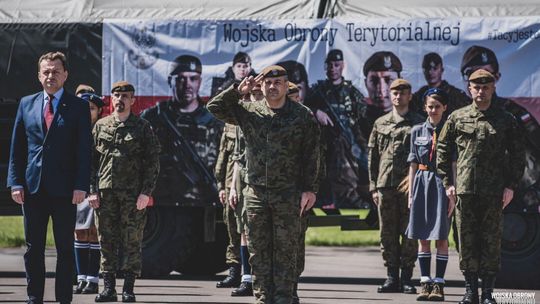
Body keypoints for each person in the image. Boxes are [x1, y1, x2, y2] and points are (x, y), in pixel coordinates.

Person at [207, 65, 320, 304]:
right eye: (268, 82)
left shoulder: (301, 115)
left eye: (277, 82)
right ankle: (263, 299)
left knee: (286, 252)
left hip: (288, 194)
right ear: (262, 85)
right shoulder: (249, 111)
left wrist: (310, 189)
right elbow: (214, 107)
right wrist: (238, 91)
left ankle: (284, 299)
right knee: (258, 254)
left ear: (286, 84)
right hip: (256, 194)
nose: (272, 86)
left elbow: (311, 155)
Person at [7, 51, 91, 304]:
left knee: (65, 248)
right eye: (46, 71)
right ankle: (34, 298)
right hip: (33, 189)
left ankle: (64, 298)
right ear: (38, 75)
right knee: (34, 249)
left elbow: (83, 150)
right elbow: (17, 148)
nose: (50, 75)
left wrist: (81, 186)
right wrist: (15, 182)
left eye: (55, 71)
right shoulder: (26, 103)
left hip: (65, 190)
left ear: (65, 75)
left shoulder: (78, 107)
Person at [437, 69, 525, 304]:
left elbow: (518, 154)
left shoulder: (505, 119)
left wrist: (511, 186)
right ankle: (470, 291)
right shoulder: (457, 117)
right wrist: (448, 182)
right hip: (465, 190)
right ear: (469, 89)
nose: (481, 91)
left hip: (495, 192)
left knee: (491, 240)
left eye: (485, 87)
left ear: (493, 88)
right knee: (466, 241)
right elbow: (443, 149)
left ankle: (487, 293)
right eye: (476, 87)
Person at [89, 81, 160, 302]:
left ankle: (128, 289)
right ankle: (108, 288)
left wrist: (145, 193)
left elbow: (152, 163)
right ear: (111, 98)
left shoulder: (142, 127)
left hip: (132, 195)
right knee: (106, 240)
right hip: (105, 194)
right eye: (116, 95)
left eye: (125, 96)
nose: (120, 99)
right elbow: (91, 162)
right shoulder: (100, 126)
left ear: (133, 100)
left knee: (132, 241)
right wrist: (93, 190)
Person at [141, 55, 223, 204]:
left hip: (204, 203)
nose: (187, 85)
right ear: (169, 81)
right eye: (180, 79)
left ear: (200, 82)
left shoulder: (213, 120)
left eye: (193, 78)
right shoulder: (153, 117)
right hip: (164, 201)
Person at [368, 78, 423, 294]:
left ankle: (407, 277)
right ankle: (391, 277)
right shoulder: (380, 123)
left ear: (410, 96)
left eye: (403, 93)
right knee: (387, 233)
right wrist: (373, 186)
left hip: (410, 187)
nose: (398, 96)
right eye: (395, 93)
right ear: (389, 96)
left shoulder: (419, 123)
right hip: (385, 186)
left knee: (409, 233)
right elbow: (372, 157)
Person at [405, 88, 455, 301]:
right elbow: (413, 164)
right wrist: (410, 193)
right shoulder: (417, 131)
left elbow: (453, 163)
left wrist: (453, 191)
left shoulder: (450, 130)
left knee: (441, 236)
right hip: (421, 183)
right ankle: (425, 282)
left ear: (444, 108)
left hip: (442, 184)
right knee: (423, 236)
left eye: (437, 106)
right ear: (425, 107)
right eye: (430, 106)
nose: (433, 110)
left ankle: (439, 285)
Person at [306, 49, 370, 209]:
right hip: (325, 144)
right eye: (330, 65)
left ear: (343, 66)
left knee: (359, 172)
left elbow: (364, 115)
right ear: (325, 67)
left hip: (349, 142)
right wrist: (315, 112)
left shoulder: (351, 91)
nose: (333, 68)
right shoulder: (318, 90)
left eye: (336, 65)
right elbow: (302, 108)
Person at [227, 84, 265, 297]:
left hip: (262, 180)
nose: (255, 97)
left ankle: (262, 278)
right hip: (243, 179)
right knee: (244, 229)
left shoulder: (271, 119)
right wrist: (233, 187)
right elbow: (237, 157)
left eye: (259, 94)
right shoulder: (244, 120)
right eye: (253, 94)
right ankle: (247, 278)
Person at [73, 86, 105, 295]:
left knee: (94, 232)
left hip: (96, 188)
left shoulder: (101, 130)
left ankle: (93, 279)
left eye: (92, 108)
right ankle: (81, 278)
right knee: (79, 232)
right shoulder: (71, 129)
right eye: (84, 108)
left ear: (98, 111)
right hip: (76, 188)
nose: (88, 112)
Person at [214, 122, 242, 289]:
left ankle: (250, 274)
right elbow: (223, 155)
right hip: (230, 184)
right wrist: (221, 186)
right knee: (232, 227)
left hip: (249, 185)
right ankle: (234, 271)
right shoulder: (231, 125)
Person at [411, 52, 470, 118]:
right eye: (427, 69)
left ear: (442, 70)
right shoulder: (419, 95)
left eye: (435, 68)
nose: (430, 72)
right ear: (423, 71)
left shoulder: (456, 95)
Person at [363, 51, 403, 116]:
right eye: (374, 81)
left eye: (389, 80)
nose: (381, 89)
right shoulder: (354, 121)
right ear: (366, 84)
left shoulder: (415, 122)